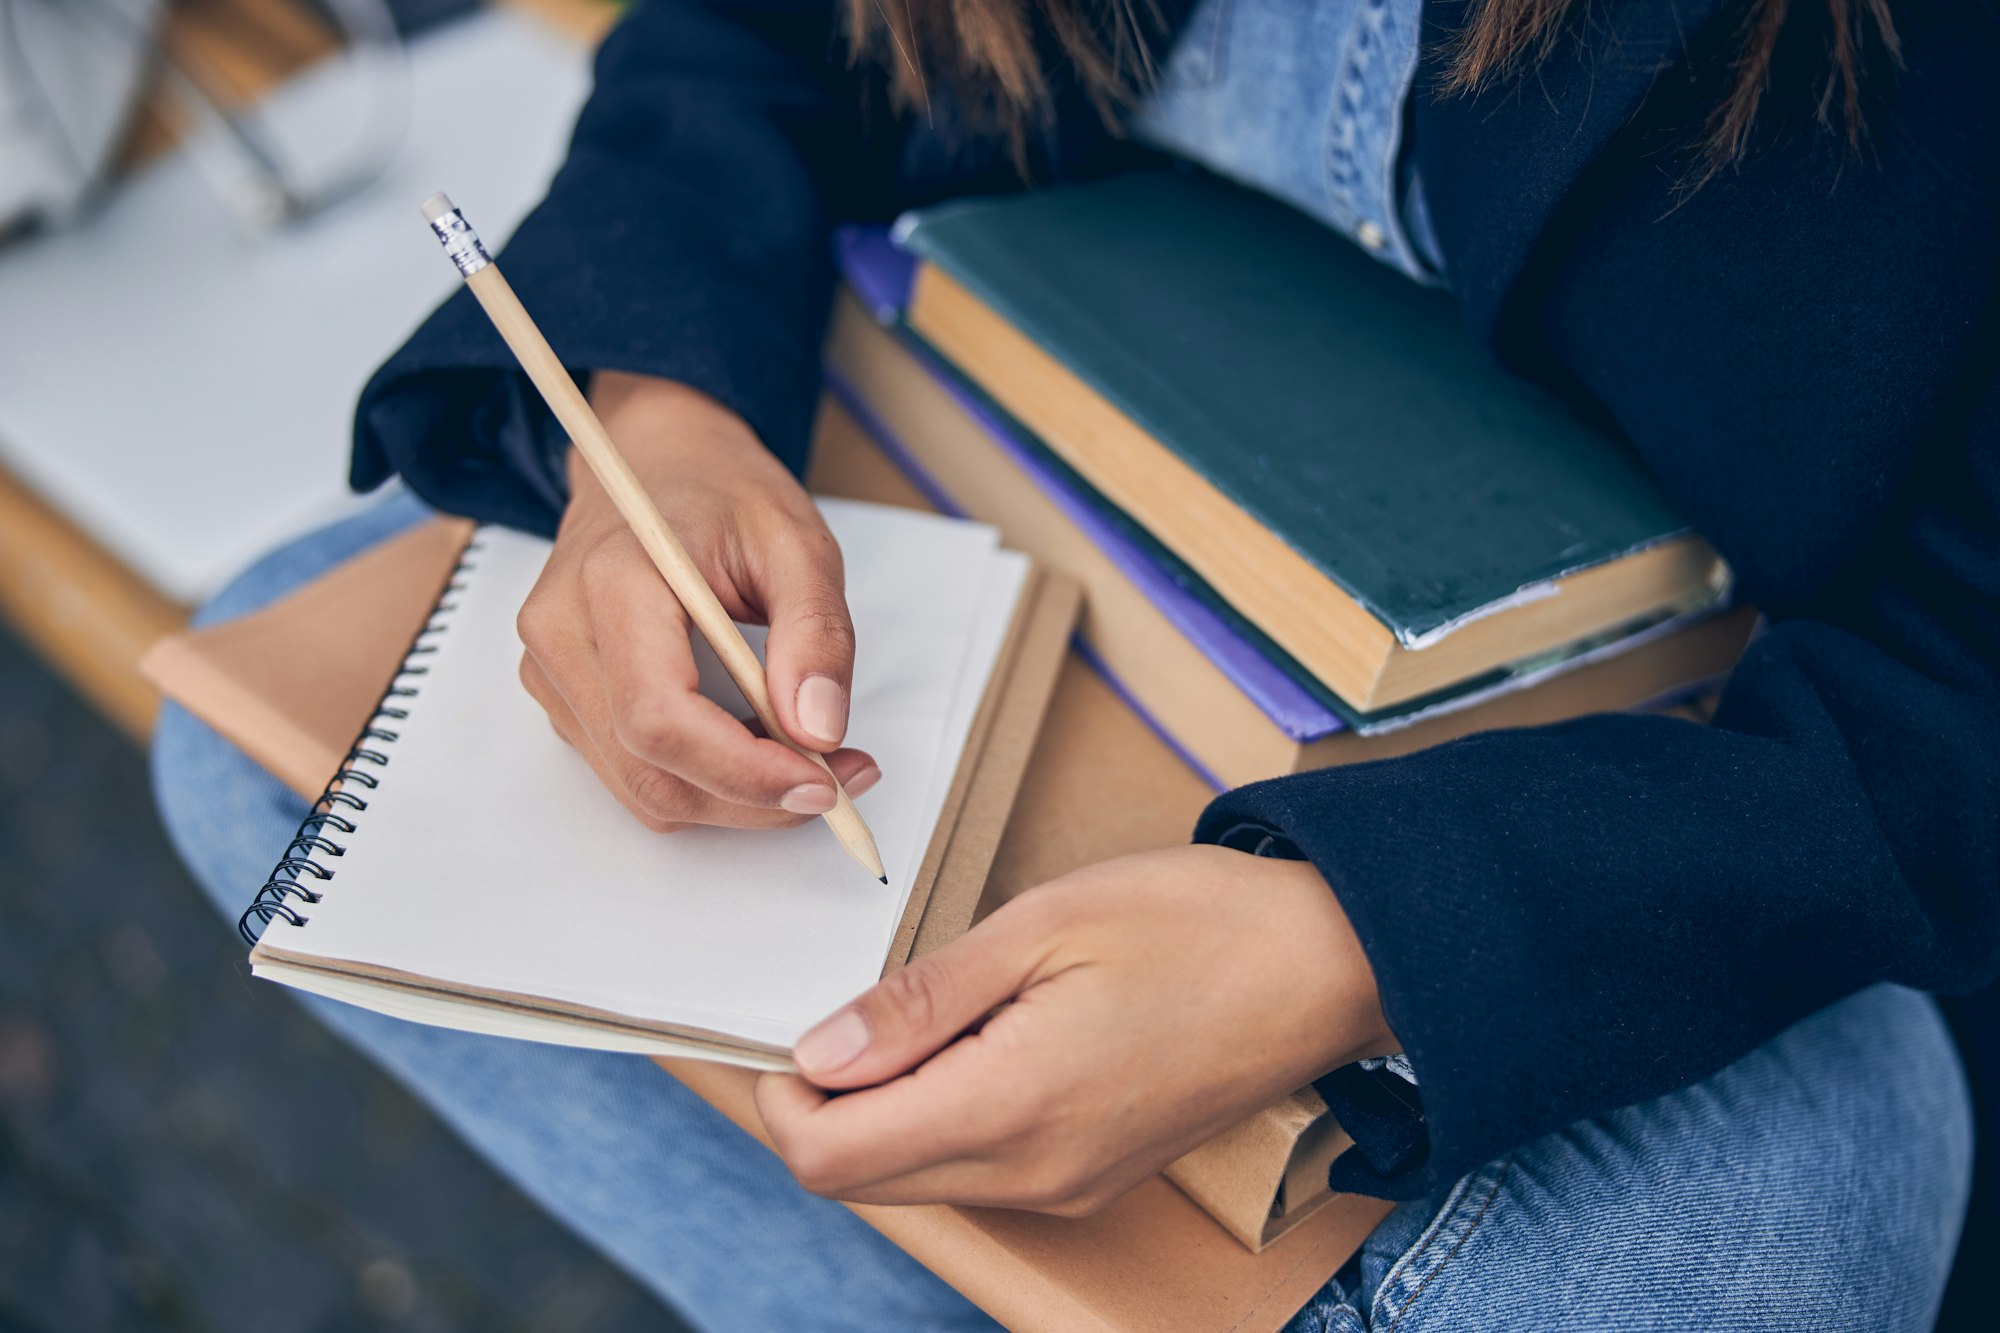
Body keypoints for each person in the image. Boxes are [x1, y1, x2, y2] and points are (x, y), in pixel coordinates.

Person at [156, 0, 1998, 1328]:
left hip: (1690, 760)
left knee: (1767, 1213)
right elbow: (767, 33)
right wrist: (660, 402)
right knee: (265, 737)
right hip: (1010, 454)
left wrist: (1358, 943)